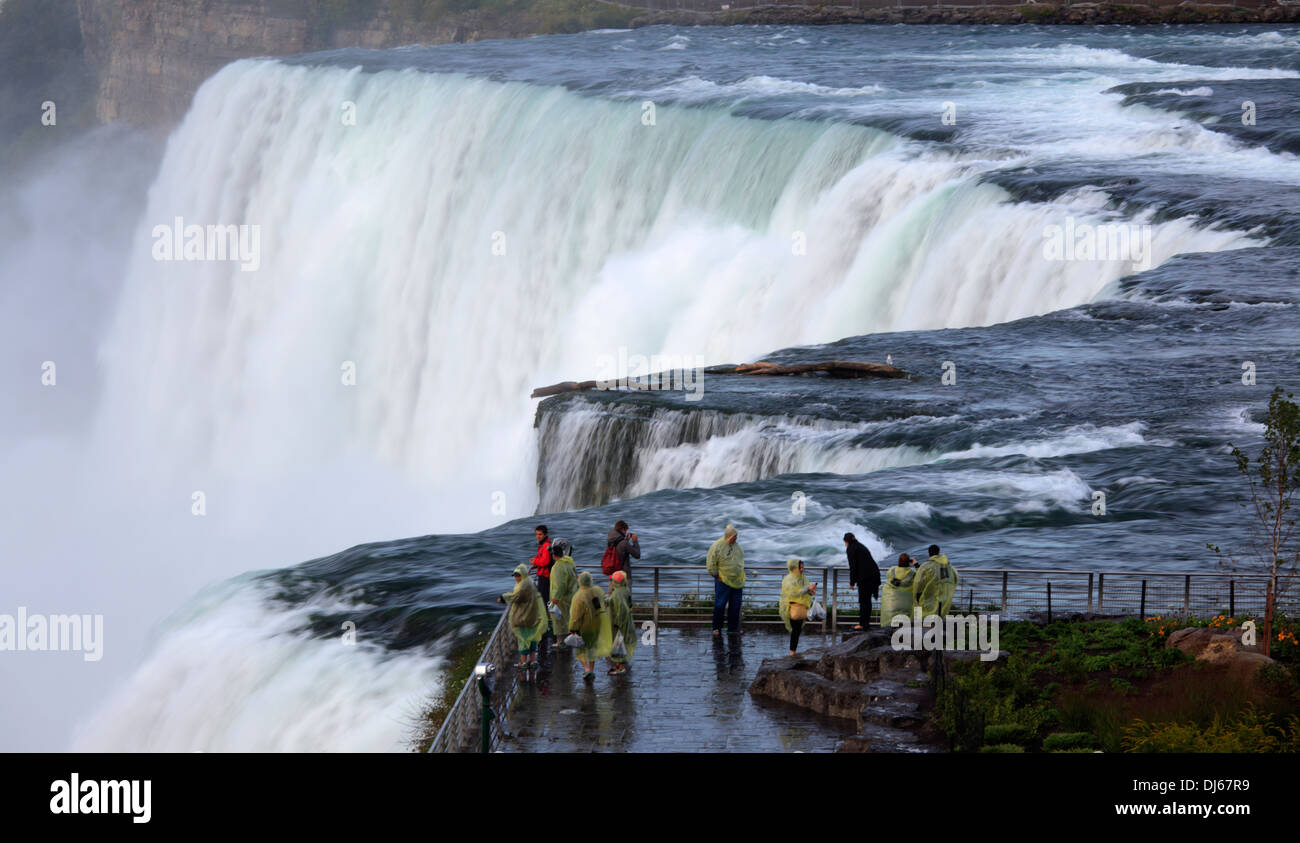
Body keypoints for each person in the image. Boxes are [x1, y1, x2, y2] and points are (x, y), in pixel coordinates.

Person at [498, 564, 548, 670]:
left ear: (523, 575)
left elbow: (516, 597)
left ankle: (524, 662)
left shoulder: (523, 587)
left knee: (523, 640)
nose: (516, 578)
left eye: (518, 576)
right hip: (533, 617)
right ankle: (533, 660)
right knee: (533, 638)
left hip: (524, 618)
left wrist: (503, 597)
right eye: (515, 576)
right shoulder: (531, 583)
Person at [569, 571, 613, 681]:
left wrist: (572, 628)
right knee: (592, 648)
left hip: (584, 627)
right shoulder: (597, 591)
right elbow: (601, 605)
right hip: (596, 624)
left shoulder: (578, 597)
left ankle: (587, 669)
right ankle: (591, 670)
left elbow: (576, 615)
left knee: (580, 649)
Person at [706, 524, 745, 635]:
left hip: (736, 581)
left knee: (735, 604)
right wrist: (716, 575)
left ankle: (732, 629)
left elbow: (740, 560)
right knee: (720, 604)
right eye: (734, 537)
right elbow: (711, 562)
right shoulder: (717, 546)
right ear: (728, 536)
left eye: (736, 537)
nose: (735, 539)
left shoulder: (737, 546)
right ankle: (716, 628)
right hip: (722, 580)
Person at [779, 557, 817, 656]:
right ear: (794, 568)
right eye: (800, 567)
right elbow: (794, 593)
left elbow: (804, 592)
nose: (802, 569)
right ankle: (792, 652)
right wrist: (807, 588)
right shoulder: (788, 580)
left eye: (802, 567)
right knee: (795, 630)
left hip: (802, 608)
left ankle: (793, 651)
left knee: (797, 631)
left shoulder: (803, 578)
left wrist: (810, 592)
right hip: (792, 607)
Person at [844, 532, 880, 630]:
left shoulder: (851, 549)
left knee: (864, 601)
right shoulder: (860, 546)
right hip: (873, 575)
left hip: (866, 578)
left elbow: (853, 567)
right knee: (867, 601)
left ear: (846, 541)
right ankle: (865, 624)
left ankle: (863, 624)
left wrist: (852, 583)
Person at [913, 544, 959, 619]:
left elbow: (919, 582)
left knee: (927, 617)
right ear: (938, 552)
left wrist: (917, 597)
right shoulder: (947, 564)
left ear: (929, 553)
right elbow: (956, 577)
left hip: (931, 598)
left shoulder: (926, 565)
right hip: (945, 597)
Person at [548, 538, 579, 647]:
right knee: (568, 619)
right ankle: (568, 640)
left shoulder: (558, 567)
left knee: (559, 621)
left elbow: (560, 584)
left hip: (561, 599)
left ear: (554, 555)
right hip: (571, 596)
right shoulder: (569, 563)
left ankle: (560, 642)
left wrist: (555, 598)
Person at [607, 570, 636, 674]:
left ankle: (621, 667)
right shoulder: (625, 590)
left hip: (618, 623)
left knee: (619, 644)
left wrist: (618, 624)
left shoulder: (617, 593)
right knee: (620, 644)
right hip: (625, 622)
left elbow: (621, 609)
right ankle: (618, 665)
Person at [879, 552, 917, 626]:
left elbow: (888, 576)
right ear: (909, 562)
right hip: (907, 605)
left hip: (891, 605)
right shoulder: (913, 572)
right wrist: (915, 564)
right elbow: (922, 575)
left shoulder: (891, 570)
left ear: (899, 561)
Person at [530, 525, 554, 639]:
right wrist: (536, 563)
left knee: (543, 602)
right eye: (536, 534)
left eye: (540, 534)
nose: (537, 537)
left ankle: (545, 627)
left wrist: (535, 561)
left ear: (545, 534)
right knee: (544, 601)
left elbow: (545, 561)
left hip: (545, 577)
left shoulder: (546, 545)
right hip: (544, 576)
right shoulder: (545, 545)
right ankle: (546, 624)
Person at [603, 520, 641, 587]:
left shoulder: (610, 541)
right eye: (625, 530)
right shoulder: (623, 543)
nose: (626, 532)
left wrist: (625, 541)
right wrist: (635, 541)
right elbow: (637, 555)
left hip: (613, 575)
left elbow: (618, 551)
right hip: (624, 576)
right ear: (622, 529)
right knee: (625, 596)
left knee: (613, 596)